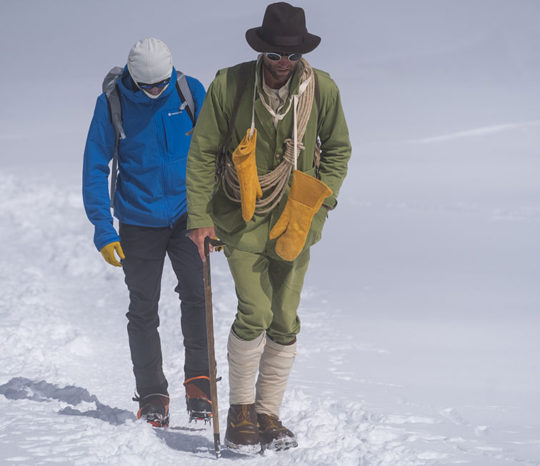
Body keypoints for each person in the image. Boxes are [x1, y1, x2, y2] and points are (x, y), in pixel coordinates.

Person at [186, 2, 351, 454]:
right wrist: (199, 217)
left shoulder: (323, 90)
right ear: (262, 52)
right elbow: (202, 153)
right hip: (239, 220)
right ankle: (240, 408)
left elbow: (337, 150)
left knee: (284, 318)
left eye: (291, 56)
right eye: (275, 55)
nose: (283, 64)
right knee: (254, 311)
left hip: (296, 222)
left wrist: (320, 203)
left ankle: (267, 412)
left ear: (301, 55)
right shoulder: (230, 84)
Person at [82, 37, 211, 427]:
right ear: (134, 79)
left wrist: (214, 213)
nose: (157, 92)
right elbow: (94, 167)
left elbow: (214, 153)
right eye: (149, 86)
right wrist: (104, 229)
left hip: (188, 217)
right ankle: (153, 393)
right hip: (138, 221)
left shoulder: (190, 92)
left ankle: (201, 384)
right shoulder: (112, 104)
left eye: (163, 84)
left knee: (197, 297)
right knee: (143, 309)